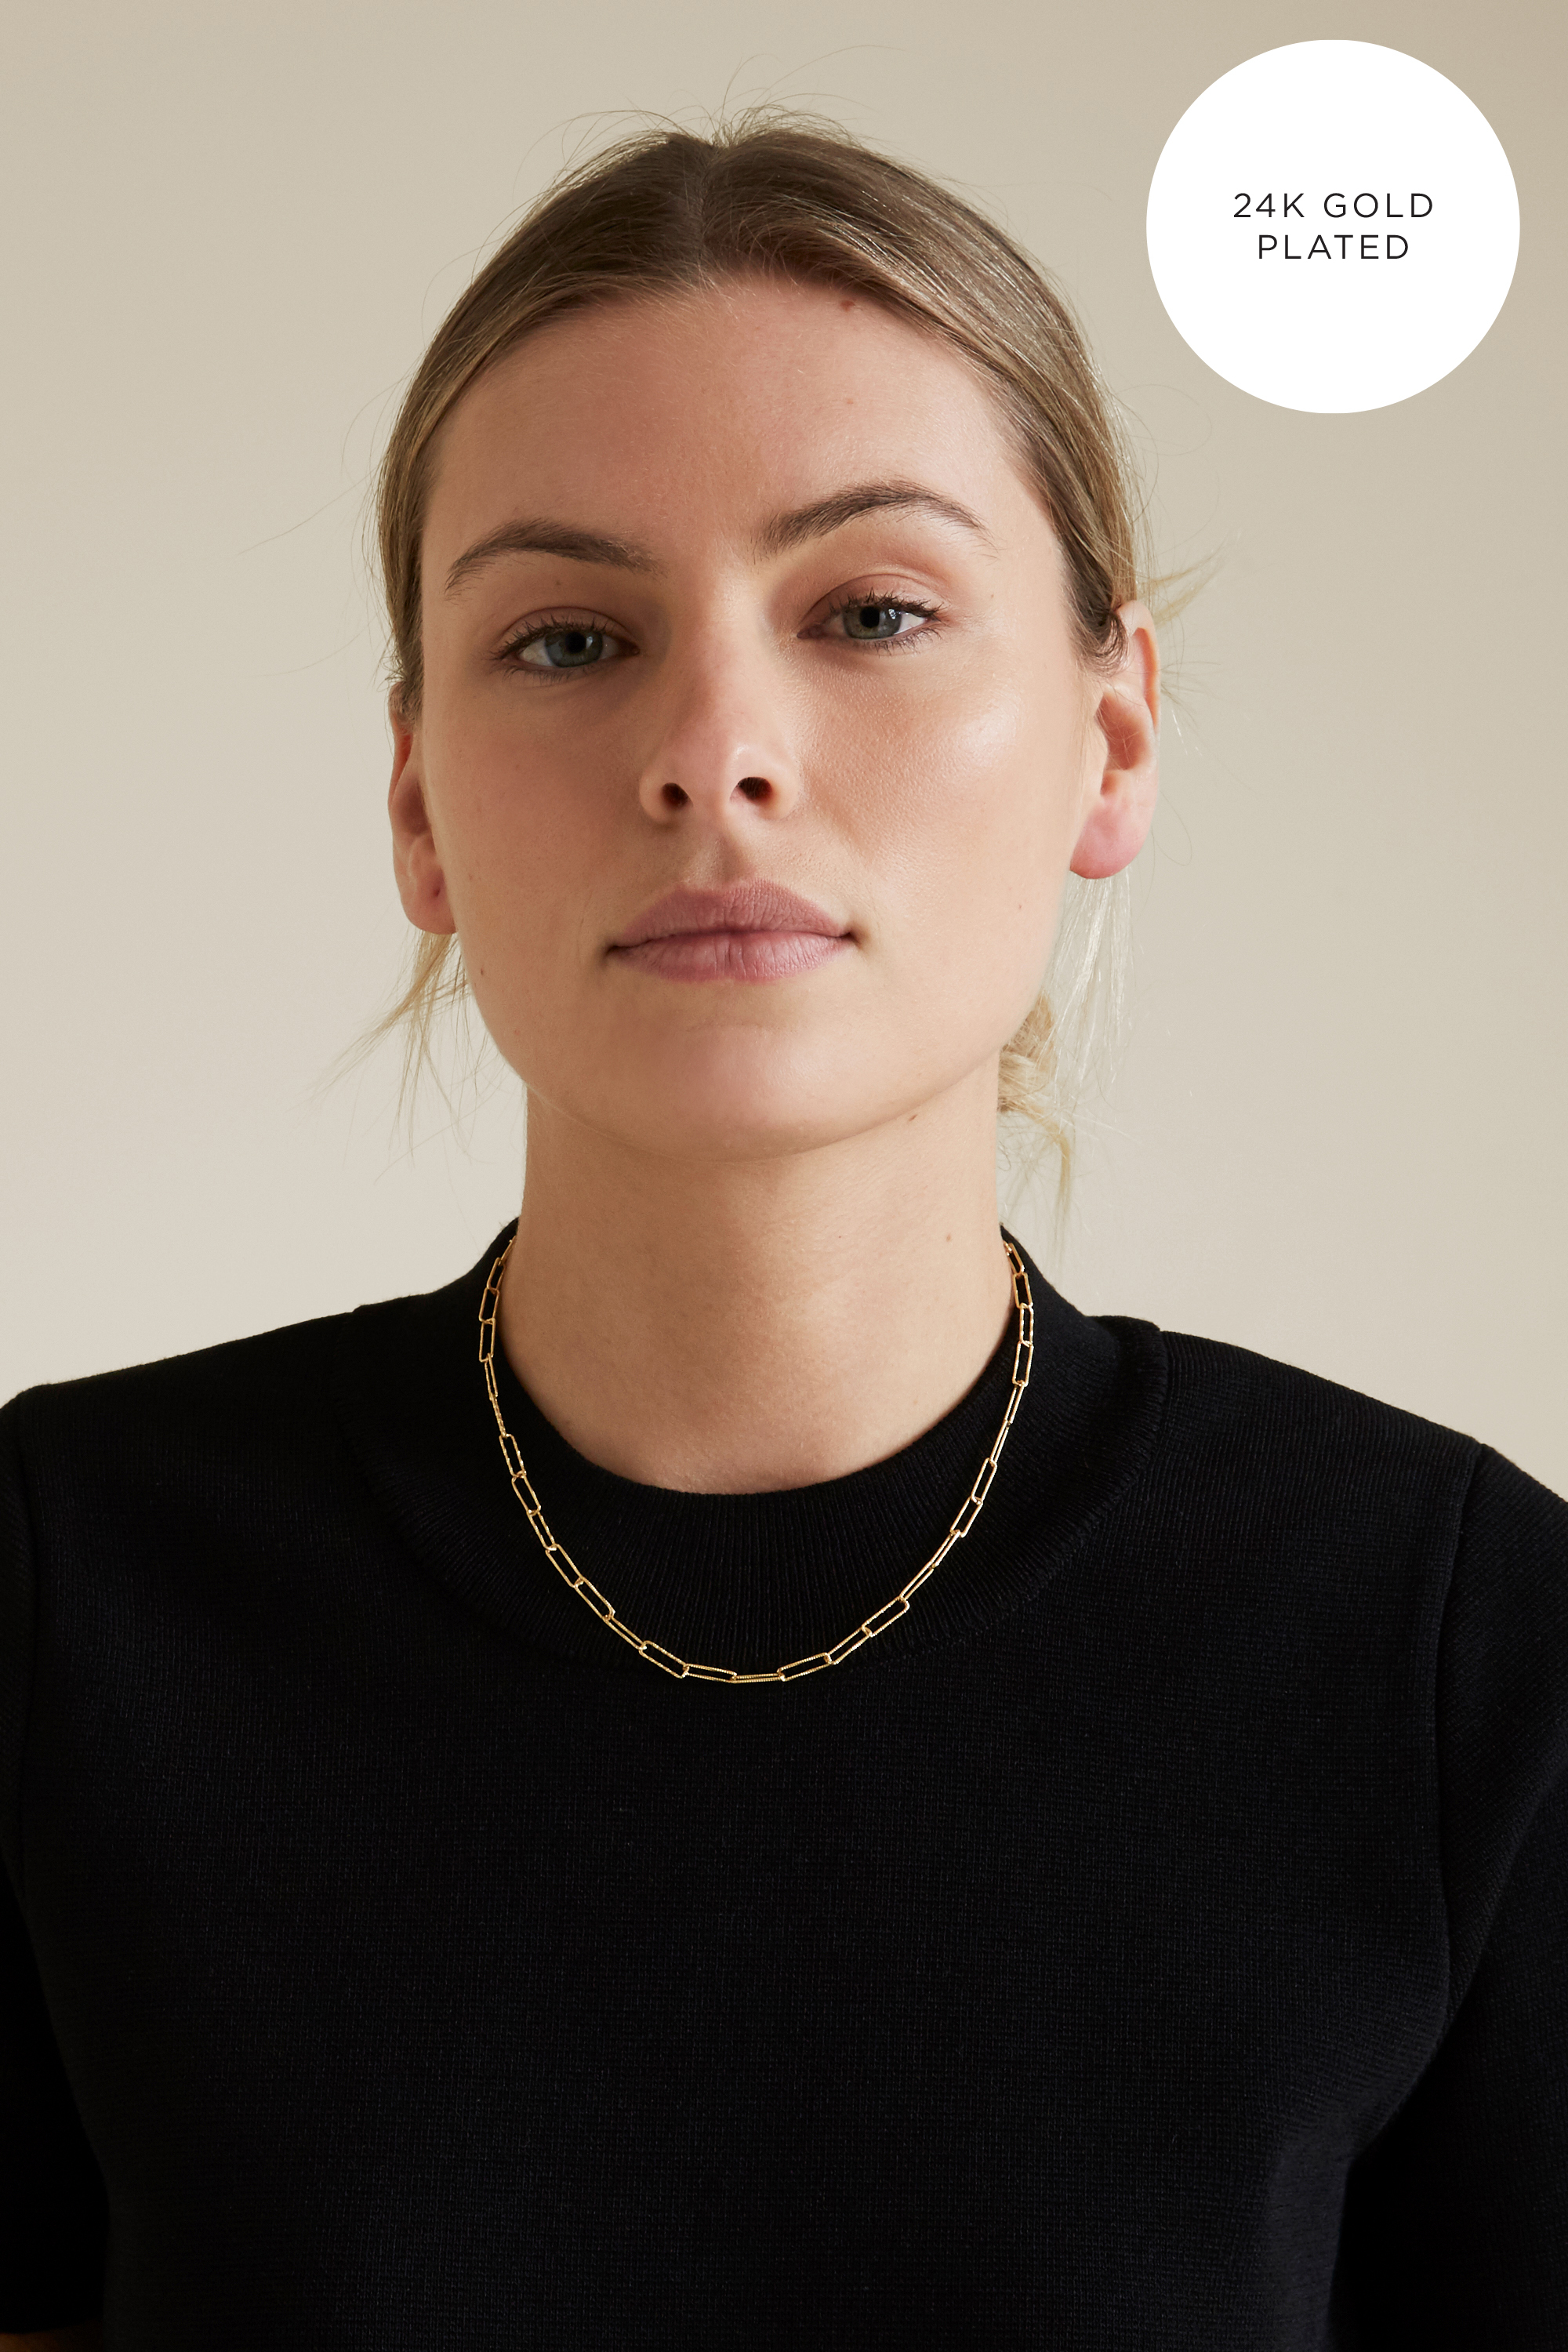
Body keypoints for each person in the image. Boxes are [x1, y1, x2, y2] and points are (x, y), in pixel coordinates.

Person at [2, 115, 1564, 2352]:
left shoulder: (1453, 1652)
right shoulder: (65, 1599)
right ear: (418, 803)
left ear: (1114, 737)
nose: (715, 750)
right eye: (569, 636)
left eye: (872, 614)